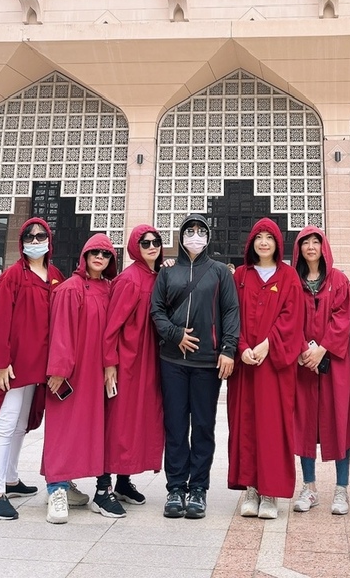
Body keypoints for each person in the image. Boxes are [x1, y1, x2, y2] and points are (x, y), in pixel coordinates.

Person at [150, 213, 240, 520]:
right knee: (176, 426)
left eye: (201, 230)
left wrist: (228, 348)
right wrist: (175, 336)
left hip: (206, 362)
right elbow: (157, 310)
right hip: (172, 361)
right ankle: (176, 488)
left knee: (203, 426)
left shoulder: (219, 272)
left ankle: (199, 488)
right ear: (181, 234)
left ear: (209, 236)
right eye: (190, 230)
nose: (196, 235)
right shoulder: (168, 272)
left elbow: (230, 311)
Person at [0, 217, 65, 521]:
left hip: (39, 367)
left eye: (42, 235)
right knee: (6, 424)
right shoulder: (12, 277)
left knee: (20, 425)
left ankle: (11, 480)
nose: (36, 240)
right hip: (14, 368)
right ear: (22, 240)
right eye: (31, 235)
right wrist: (0, 362)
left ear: (49, 240)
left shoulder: (54, 276)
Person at [228, 218, 304, 521]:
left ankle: (270, 492)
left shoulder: (288, 277)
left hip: (275, 367)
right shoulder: (241, 276)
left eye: (268, 237)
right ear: (251, 243)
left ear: (277, 243)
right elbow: (230, 314)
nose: (263, 242)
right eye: (257, 237)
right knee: (246, 423)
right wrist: (243, 347)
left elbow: (292, 317)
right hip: (246, 365)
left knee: (273, 427)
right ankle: (251, 489)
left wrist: (267, 344)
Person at [41, 232, 119, 524]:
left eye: (106, 254)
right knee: (63, 430)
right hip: (71, 374)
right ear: (84, 256)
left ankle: (68, 483)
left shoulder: (109, 289)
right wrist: (59, 370)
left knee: (89, 431)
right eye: (94, 253)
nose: (100, 258)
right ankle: (56, 489)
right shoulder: (70, 289)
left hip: (97, 373)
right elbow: (61, 332)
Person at [291, 225, 350, 516]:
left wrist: (322, 349)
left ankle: (341, 489)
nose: (310, 247)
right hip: (304, 366)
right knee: (304, 426)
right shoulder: (293, 281)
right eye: (304, 242)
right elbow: (288, 318)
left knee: (339, 423)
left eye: (315, 242)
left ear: (323, 247)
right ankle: (309, 487)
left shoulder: (339, 281)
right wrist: (302, 350)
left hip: (335, 366)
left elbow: (342, 318)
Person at [102, 223, 165, 506]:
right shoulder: (129, 279)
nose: (152, 246)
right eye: (145, 243)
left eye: (156, 241)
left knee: (138, 422)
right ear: (134, 248)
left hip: (150, 362)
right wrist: (110, 364)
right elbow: (111, 326)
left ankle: (123, 482)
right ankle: (103, 486)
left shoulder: (157, 276)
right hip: (128, 361)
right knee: (118, 422)